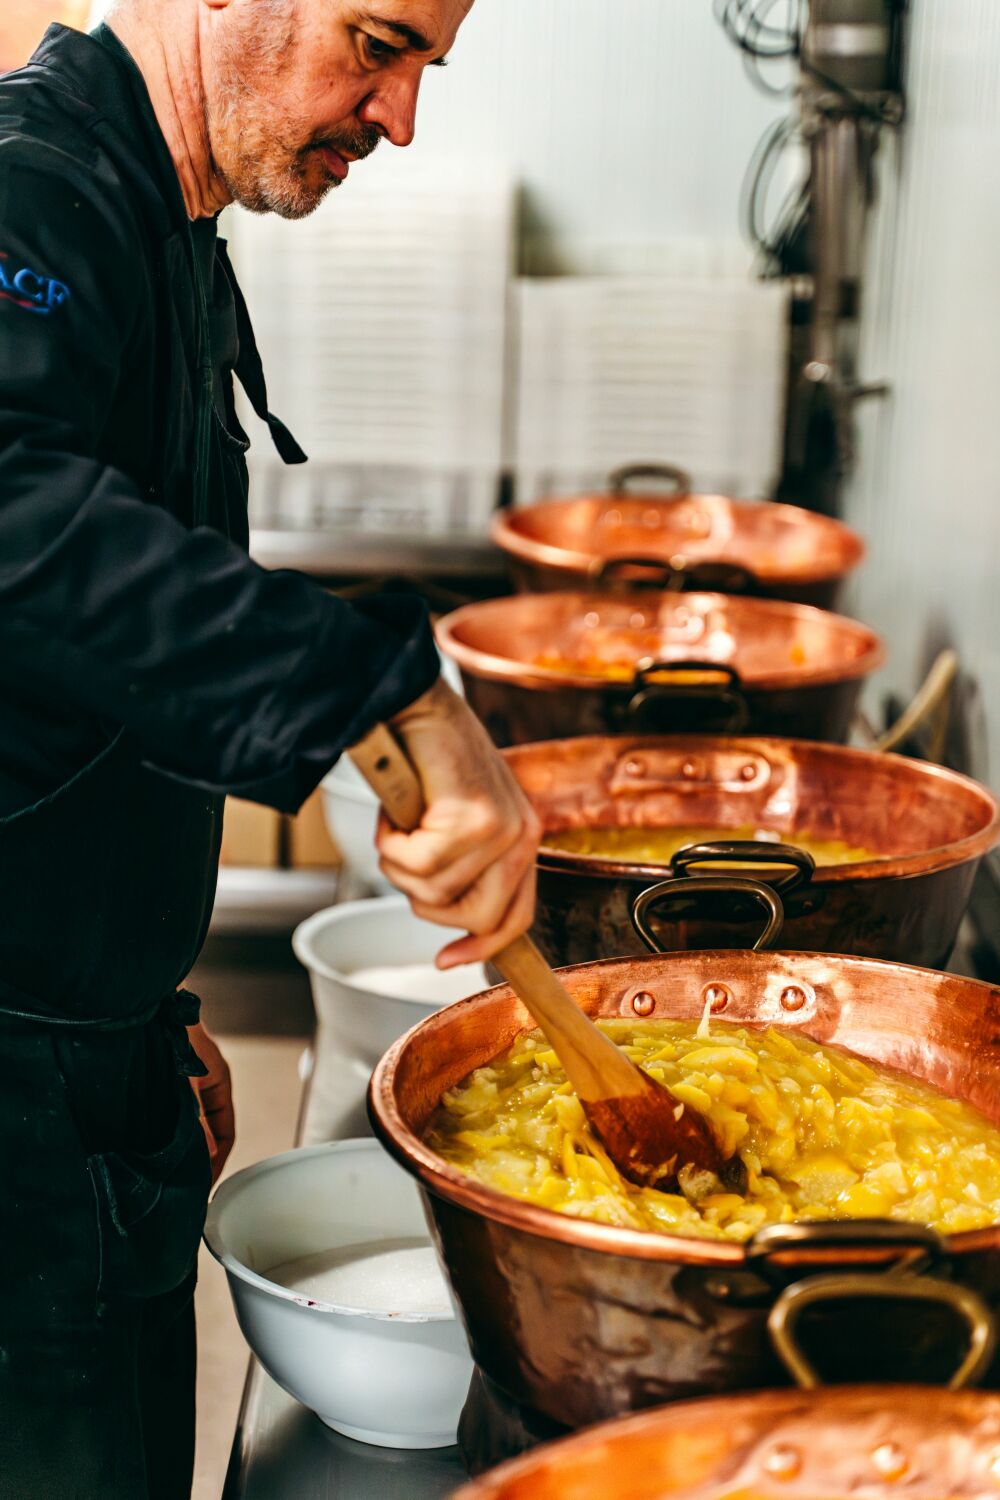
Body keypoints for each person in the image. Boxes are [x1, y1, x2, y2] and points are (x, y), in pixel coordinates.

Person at [0, 1, 540, 1494]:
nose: (402, 113)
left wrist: (143, 1000)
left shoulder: (163, 222)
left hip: (85, 1064)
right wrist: (391, 695)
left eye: (427, 62)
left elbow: (68, 691)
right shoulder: (29, 184)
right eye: (378, 42)